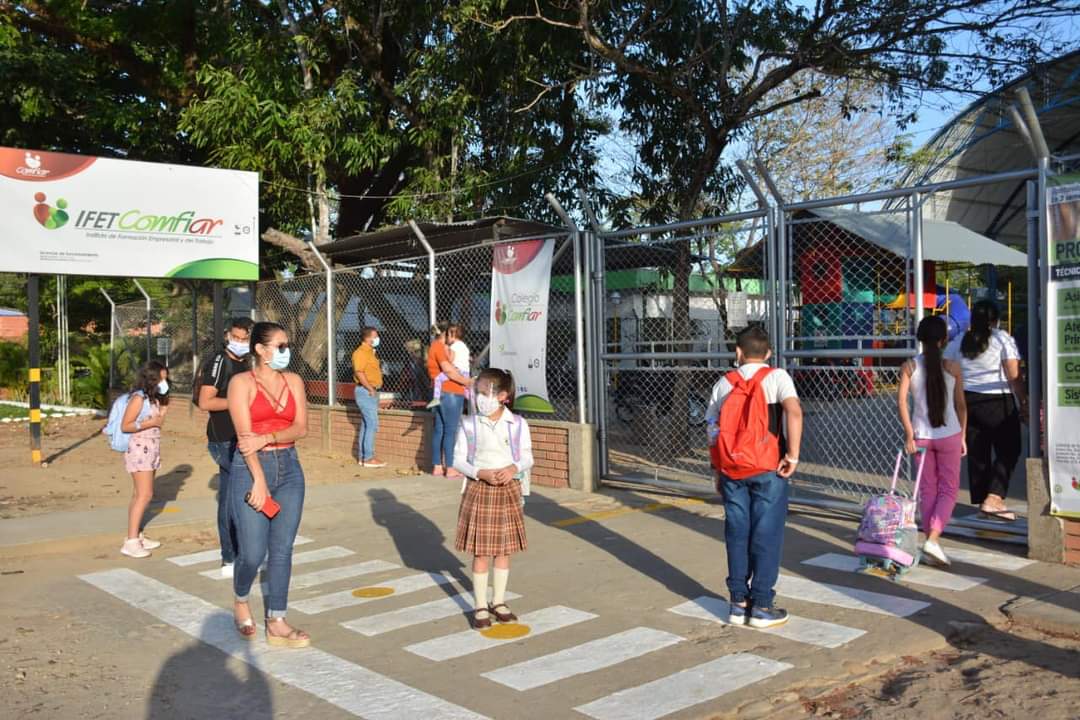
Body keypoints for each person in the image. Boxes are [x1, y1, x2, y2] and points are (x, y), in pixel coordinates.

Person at [705, 326, 802, 629]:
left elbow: (712, 428)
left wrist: (717, 468)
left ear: (738, 352)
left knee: (736, 532)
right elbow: (794, 412)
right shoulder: (777, 377)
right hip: (768, 467)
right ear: (768, 353)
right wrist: (793, 456)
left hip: (731, 469)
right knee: (766, 533)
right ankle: (761, 604)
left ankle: (737, 602)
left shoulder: (724, 383)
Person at [226, 322, 310, 647]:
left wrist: (269, 437)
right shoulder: (241, 383)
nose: (286, 351)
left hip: (289, 467)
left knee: (282, 549)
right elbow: (245, 439)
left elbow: (300, 427)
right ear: (261, 350)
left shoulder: (294, 381)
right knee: (252, 552)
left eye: (287, 345)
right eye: (280, 346)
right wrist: (258, 481)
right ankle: (241, 597)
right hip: (250, 469)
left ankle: (277, 619)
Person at [452, 368, 533, 629]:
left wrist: (512, 468)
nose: (479, 398)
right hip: (480, 489)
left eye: (485, 392)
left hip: (508, 489)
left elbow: (527, 456)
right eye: (477, 392)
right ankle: (479, 605)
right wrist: (480, 473)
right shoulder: (469, 424)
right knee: (482, 552)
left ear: (503, 396)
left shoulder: (518, 424)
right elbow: (457, 460)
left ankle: (498, 601)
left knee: (503, 550)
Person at [945, 300, 1028, 521]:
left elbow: (946, 365)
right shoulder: (1001, 338)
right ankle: (994, 498)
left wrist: (961, 382)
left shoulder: (960, 339)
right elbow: (1013, 375)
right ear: (994, 320)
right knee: (1010, 448)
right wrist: (1024, 401)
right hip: (997, 400)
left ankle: (984, 501)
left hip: (967, 400)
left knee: (978, 452)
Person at [898, 315, 968, 567]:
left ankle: (931, 542)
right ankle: (933, 539)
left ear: (920, 338)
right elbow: (961, 406)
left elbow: (901, 402)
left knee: (927, 490)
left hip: (921, 437)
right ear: (944, 339)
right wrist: (963, 435)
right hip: (950, 435)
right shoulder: (953, 367)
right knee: (948, 489)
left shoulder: (909, 366)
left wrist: (909, 433)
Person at [195, 317, 253, 578]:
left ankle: (246, 551)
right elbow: (205, 401)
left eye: (244, 339)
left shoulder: (248, 362)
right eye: (235, 337)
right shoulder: (220, 361)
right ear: (228, 335)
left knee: (244, 495)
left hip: (245, 437)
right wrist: (238, 402)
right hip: (224, 440)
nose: (239, 342)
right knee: (231, 499)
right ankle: (229, 556)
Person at [119, 361, 170, 559]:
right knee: (145, 495)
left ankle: (136, 534)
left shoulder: (153, 399)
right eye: (161, 379)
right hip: (140, 450)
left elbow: (160, 420)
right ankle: (131, 542)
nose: (164, 382)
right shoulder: (138, 399)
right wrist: (149, 422)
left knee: (139, 494)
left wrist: (163, 405)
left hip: (151, 449)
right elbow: (126, 425)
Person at [428, 322, 473, 477]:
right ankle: (450, 467)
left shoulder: (435, 347)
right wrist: (467, 382)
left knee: (439, 429)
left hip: (441, 392)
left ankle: (437, 466)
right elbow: (449, 370)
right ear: (446, 333)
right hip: (452, 391)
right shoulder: (440, 347)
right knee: (450, 430)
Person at [352, 326, 386, 468]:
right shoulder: (360, 353)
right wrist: (370, 388)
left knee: (367, 425)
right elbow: (359, 372)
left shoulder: (370, 352)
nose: (377, 338)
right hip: (366, 391)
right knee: (372, 424)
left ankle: (363, 457)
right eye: (375, 336)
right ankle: (368, 457)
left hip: (369, 391)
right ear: (368, 338)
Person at [427, 324, 471, 408]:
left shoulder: (452, 346)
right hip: (466, 372)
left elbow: (450, 360)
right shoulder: (464, 346)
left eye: (448, 335)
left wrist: (447, 350)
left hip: (457, 372)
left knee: (438, 379)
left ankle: (436, 398)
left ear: (452, 336)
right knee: (465, 387)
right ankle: (468, 396)